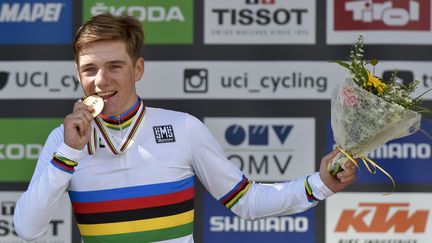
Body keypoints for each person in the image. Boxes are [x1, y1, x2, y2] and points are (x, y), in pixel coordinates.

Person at [13, 13, 356, 243]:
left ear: (138, 69)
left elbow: (246, 201)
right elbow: (28, 230)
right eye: (89, 69)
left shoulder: (182, 128)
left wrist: (320, 184)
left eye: (115, 66)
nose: (100, 80)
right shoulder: (64, 140)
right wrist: (70, 153)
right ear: (77, 74)